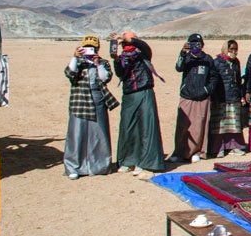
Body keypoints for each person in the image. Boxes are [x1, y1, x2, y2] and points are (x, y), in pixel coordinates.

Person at [109, 31, 167, 175]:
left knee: (146, 127)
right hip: (129, 94)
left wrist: (130, 39)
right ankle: (128, 161)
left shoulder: (143, 53)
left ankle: (145, 162)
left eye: (129, 38)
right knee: (128, 128)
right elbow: (120, 73)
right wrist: (116, 59)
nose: (126, 42)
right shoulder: (123, 56)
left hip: (144, 91)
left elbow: (143, 45)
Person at [63, 34, 117, 178]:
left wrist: (98, 63)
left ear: (98, 48)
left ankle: (99, 166)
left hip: (97, 100)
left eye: (92, 48)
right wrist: (75, 57)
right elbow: (69, 73)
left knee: (98, 133)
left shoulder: (102, 62)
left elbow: (105, 78)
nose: (89, 51)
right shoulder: (77, 63)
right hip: (79, 101)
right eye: (86, 48)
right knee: (76, 133)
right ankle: (74, 167)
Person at [170, 33, 216, 163]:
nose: (196, 46)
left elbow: (213, 77)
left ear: (202, 45)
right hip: (187, 95)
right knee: (183, 125)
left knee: (199, 125)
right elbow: (178, 68)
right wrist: (183, 53)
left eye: (198, 43)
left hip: (202, 97)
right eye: (193, 43)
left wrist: (207, 90)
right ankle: (179, 152)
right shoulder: (187, 58)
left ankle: (197, 152)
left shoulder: (207, 59)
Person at [208, 38, 247, 157]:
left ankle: (234, 147)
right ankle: (219, 148)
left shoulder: (236, 62)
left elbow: (239, 80)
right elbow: (213, 80)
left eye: (235, 49)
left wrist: (241, 96)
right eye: (231, 49)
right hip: (220, 98)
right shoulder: (217, 62)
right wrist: (214, 97)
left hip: (234, 97)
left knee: (234, 125)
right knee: (220, 125)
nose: (234, 52)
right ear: (225, 49)